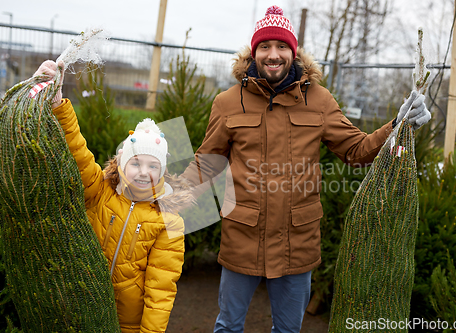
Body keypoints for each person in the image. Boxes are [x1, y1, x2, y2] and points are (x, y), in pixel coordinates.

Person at [180, 5, 431, 333]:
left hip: (296, 244)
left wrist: (397, 124)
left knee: (287, 330)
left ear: (293, 53)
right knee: (228, 327)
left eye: (282, 46)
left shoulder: (320, 101)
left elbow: (357, 151)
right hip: (242, 238)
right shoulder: (228, 102)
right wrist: (162, 194)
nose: (274, 54)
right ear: (253, 53)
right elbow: (206, 162)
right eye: (265, 47)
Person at [33, 61, 193, 333]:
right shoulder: (101, 191)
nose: (144, 173)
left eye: (153, 166)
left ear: (162, 171)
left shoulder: (169, 221)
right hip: (83, 307)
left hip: (127, 323)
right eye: (135, 163)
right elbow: (78, 153)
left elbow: (161, 290)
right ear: (121, 164)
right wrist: (59, 106)